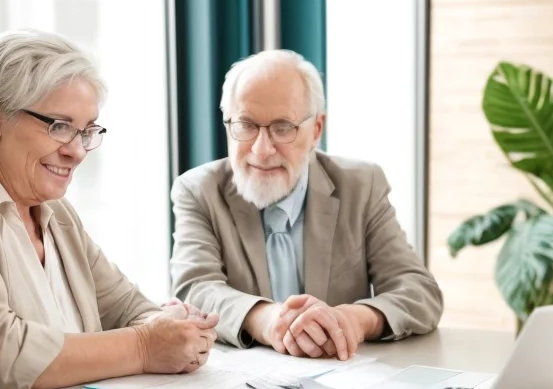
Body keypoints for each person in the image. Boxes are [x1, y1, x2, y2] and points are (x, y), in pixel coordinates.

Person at [0, 30, 217, 389]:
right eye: (59, 127)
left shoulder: (56, 214)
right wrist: (145, 347)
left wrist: (170, 330)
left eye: (87, 131)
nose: (77, 152)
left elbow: (130, 309)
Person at [170, 49, 442, 361]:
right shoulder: (198, 190)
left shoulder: (361, 185)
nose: (262, 149)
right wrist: (269, 320)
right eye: (245, 125)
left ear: (316, 131)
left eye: (282, 127)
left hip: (343, 383)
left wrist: (354, 319)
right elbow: (195, 290)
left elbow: (419, 291)